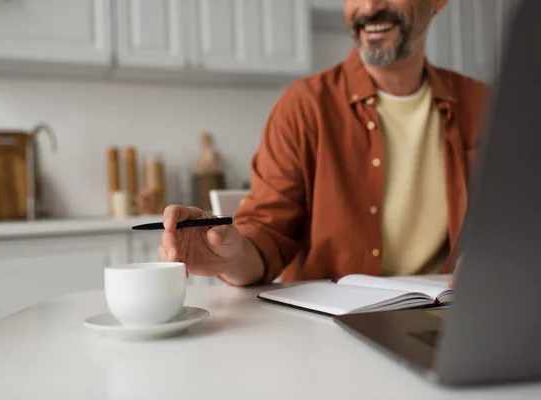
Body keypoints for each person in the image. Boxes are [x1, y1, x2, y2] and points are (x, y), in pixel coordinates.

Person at [156, 0, 490, 287]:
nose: (370, 7)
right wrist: (228, 257)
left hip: (447, 323)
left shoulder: (485, 106)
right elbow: (267, 235)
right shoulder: (304, 106)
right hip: (330, 336)